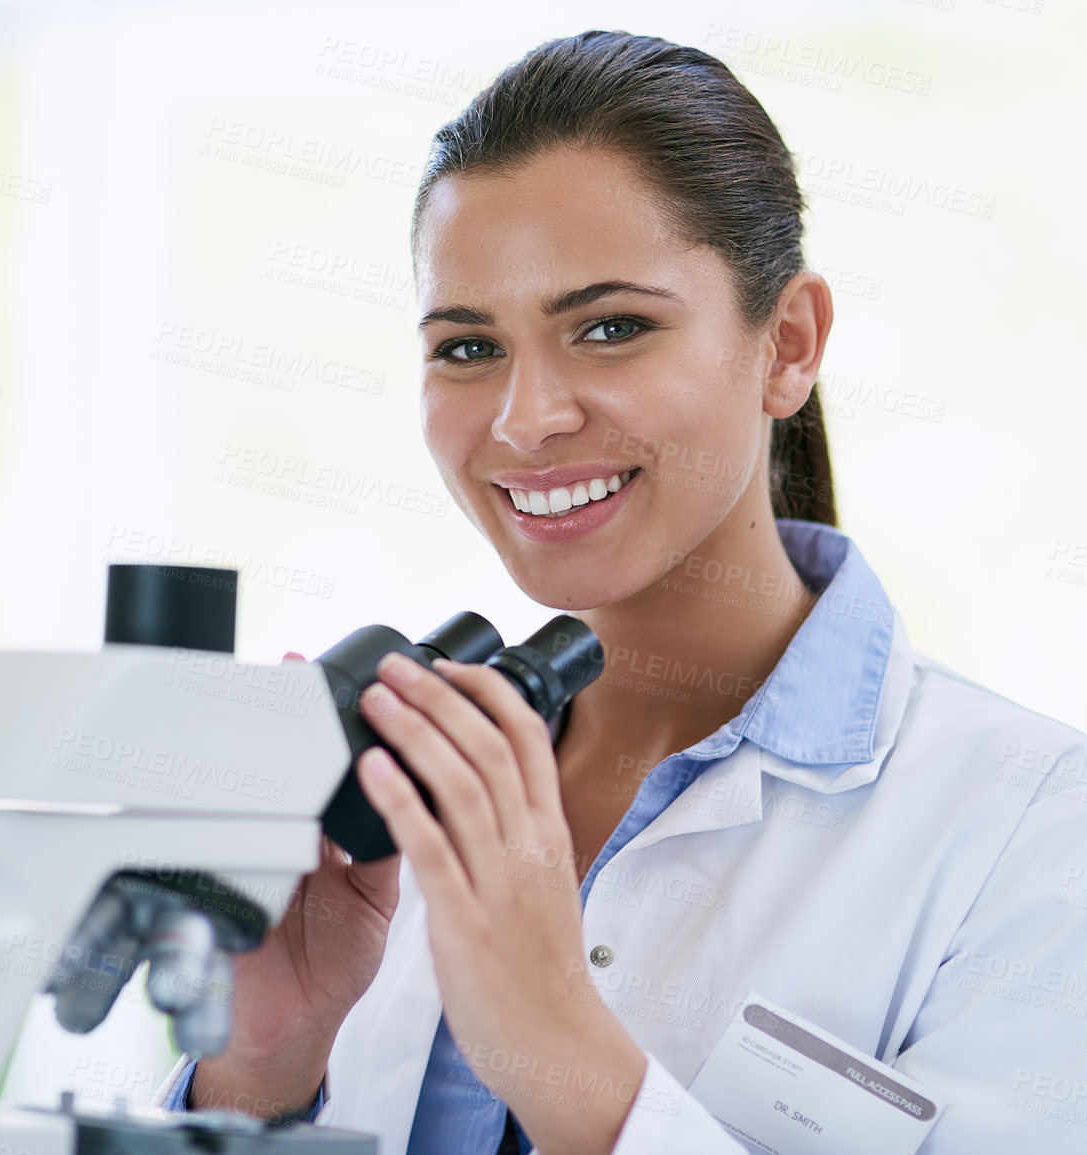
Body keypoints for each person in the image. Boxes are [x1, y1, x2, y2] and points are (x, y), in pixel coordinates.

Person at [154, 28, 1087, 1155]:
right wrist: (260, 1074)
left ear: (787, 343)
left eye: (610, 328)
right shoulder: (390, 801)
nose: (526, 418)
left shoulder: (1034, 826)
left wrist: (559, 1047)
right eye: (465, 348)